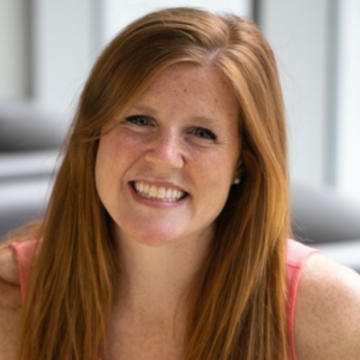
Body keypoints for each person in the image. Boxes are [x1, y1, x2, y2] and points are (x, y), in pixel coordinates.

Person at [1, 7, 360, 360]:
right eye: (139, 120)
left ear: (243, 163)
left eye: (202, 133)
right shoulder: (10, 296)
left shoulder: (331, 311)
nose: (164, 156)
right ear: (94, 137)